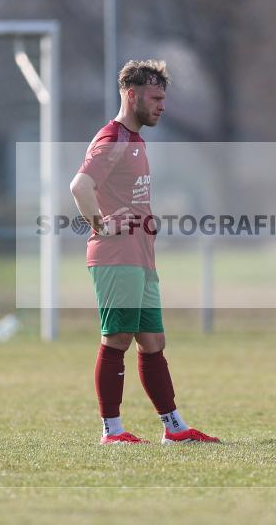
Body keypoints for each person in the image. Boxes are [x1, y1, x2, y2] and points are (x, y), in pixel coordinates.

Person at [70, 60, 221, 445]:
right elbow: (80, 186)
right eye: (155, 97)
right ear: (131, 95)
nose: (162, 106)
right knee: (117, 338)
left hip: (140, 256)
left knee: (153, 342)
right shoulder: (114, 138)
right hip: (115, 257)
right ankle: (112, 431)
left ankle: (174, 428)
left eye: (163, 98)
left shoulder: (135, 141)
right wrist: (101, 224)